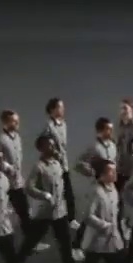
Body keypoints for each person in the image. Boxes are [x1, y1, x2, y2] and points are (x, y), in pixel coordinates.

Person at [17, 134, 77, 263]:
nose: (53, 147)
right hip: (45, 212)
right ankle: (18, 260)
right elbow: (29, 187)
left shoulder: (57, 163)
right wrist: (44, 195)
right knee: (33, 238)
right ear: (41, 148)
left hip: (59, 210)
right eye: (49, 145)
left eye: (53, 144)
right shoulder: (39, 167)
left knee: (65, 242)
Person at [74, 117, 118, 250]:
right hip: (98, 185)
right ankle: (76, 245)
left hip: (110, 184)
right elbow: (78, 163)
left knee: (111, 212)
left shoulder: (112, 145)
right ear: (100, 131)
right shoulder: (94, 147)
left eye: (111, 129)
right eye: (108, 129)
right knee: (92, 215)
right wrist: (92, 172)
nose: (111, 132)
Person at [40, 97, 79, 242]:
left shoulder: (63, 124)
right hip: (54, 166)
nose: (63, 109)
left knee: (68, 192)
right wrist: (53, 154)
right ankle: (48, 221)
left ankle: (71, 218)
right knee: (55, 194)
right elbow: (43, 144)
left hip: (64, 164)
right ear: (53, 110)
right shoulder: (49, 127)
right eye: (60, 107)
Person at [0, 109, 31, 231]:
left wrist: (19, 176)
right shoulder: (1, 140)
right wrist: (9, 168)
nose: (17, 123)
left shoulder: (17, 138)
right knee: (18, 210)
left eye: (17, 121)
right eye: (14, 121)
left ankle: (28, 233)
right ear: (6, 122)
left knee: (23, 210)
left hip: (17, 181)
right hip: (6, 183)